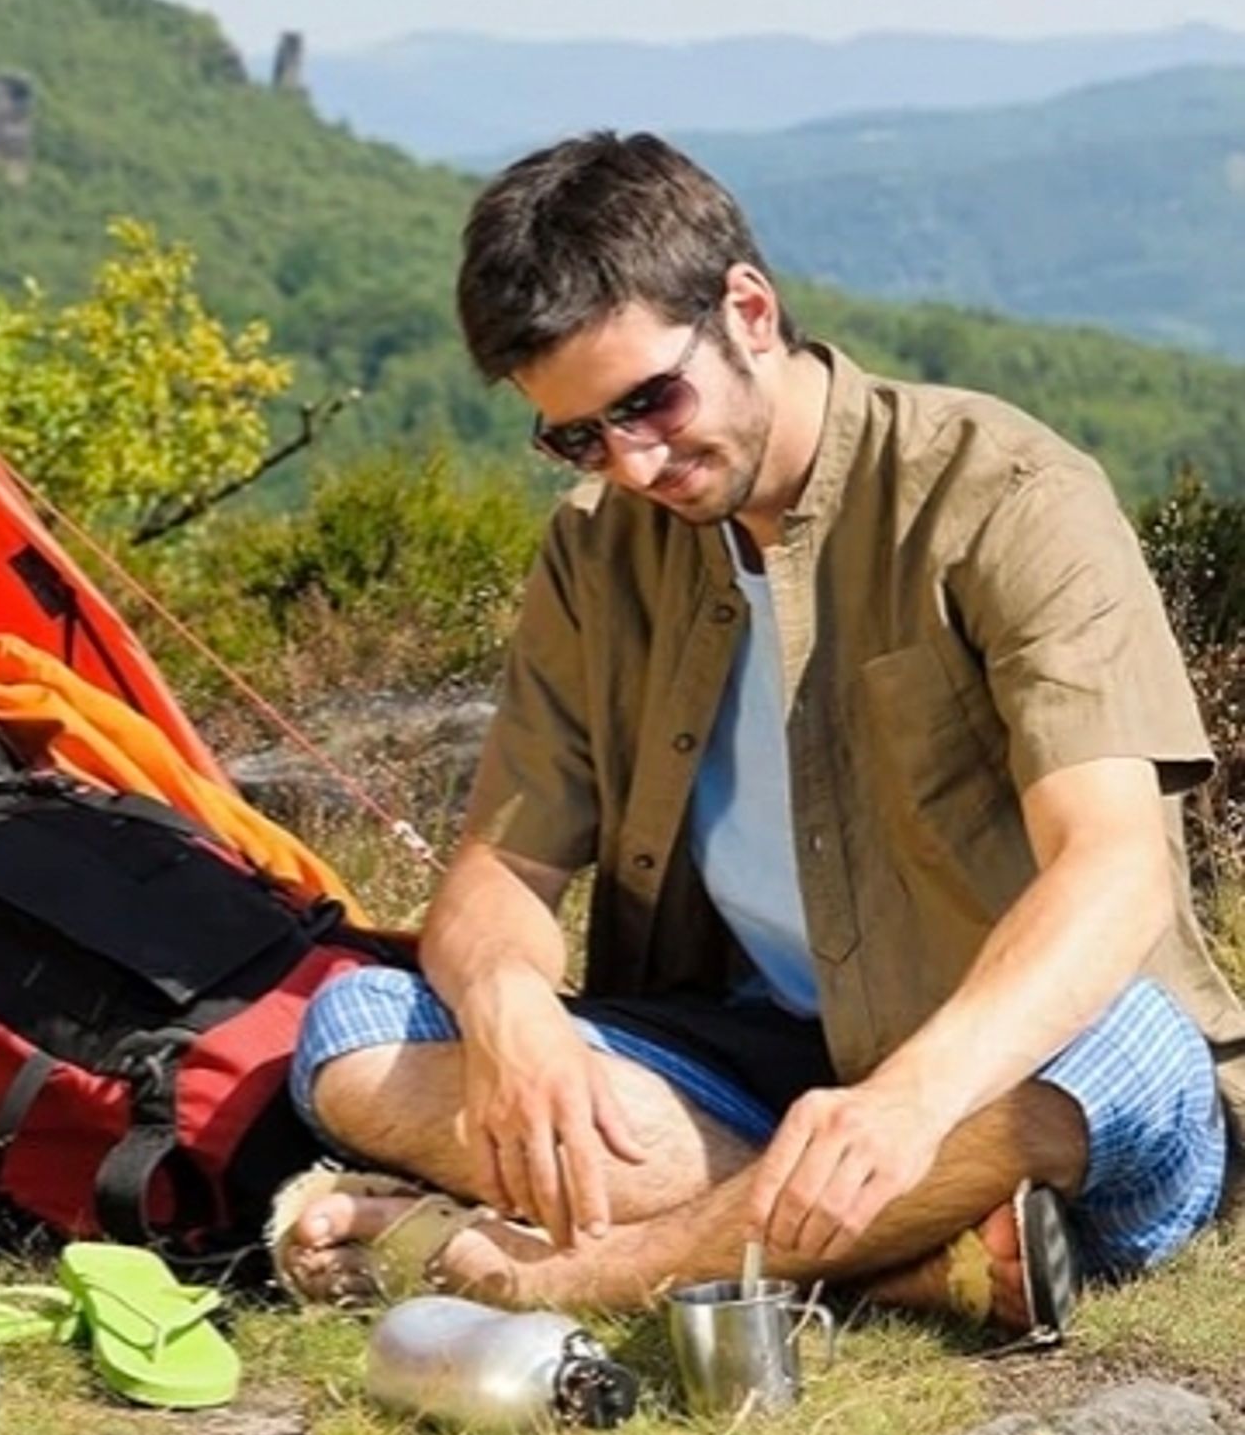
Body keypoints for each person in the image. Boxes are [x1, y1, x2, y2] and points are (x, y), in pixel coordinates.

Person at [277, 131, 1244, 1338]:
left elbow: (1112, 869)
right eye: (576, 436)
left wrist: (905, 1100)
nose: (631, 461)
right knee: (354, 1035)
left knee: (1139, 1053)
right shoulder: (595, 552)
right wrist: (516, 1024)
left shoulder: (1003, 491)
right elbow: (496, 873)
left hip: (994, 1070)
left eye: (648, 401)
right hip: (752, 1064)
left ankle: (559, 1274)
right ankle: (893, 1261)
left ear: (747, 308)